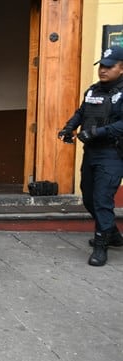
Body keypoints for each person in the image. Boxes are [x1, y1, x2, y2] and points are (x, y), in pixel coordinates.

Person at [58, 45, 123, 267]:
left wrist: (96, 132)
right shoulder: (93, 90)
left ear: (121, 69)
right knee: (88, 197)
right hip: (92, 153)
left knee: (102, 199)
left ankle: (100, 247)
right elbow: (81, 113)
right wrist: (68, 128)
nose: (103, 70)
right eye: (101, 66)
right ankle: (112, 234)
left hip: (113, 154)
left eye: (109, 66)